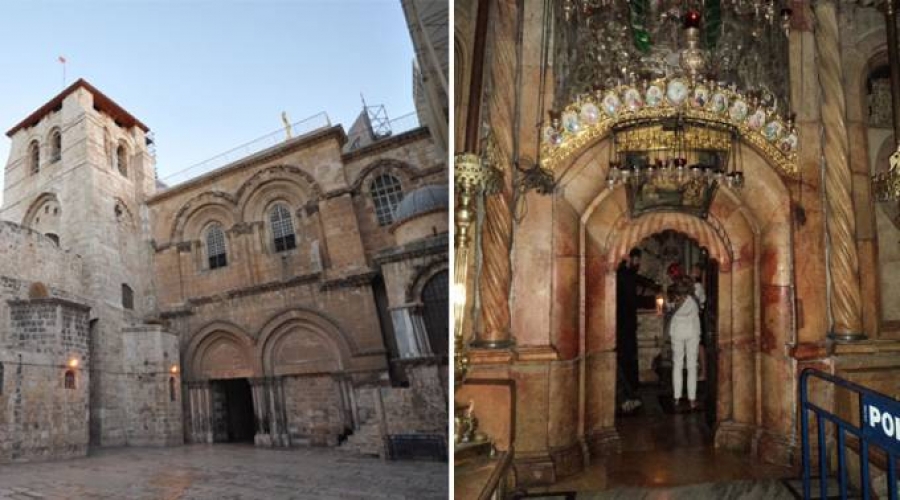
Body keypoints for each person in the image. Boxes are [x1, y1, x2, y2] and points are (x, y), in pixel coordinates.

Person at [616, 248, 643, 413]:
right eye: (637, 260)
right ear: (628, 258)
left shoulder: (626, 274)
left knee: (626, 360)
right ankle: (626, 398)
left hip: (625, 325)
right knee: (624, 361)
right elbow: (631, 300)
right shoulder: (624, 275)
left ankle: (629, 395)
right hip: (622, 326)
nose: (639, 264)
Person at [669, 275, 702, 410]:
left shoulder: (673, 299)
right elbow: (702, 306)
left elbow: (667, 310)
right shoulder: (695, 296)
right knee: (692, 365)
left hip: (677, 332)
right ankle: (692, 399)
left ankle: (676, 398)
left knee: (677, 364)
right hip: (692, 332)